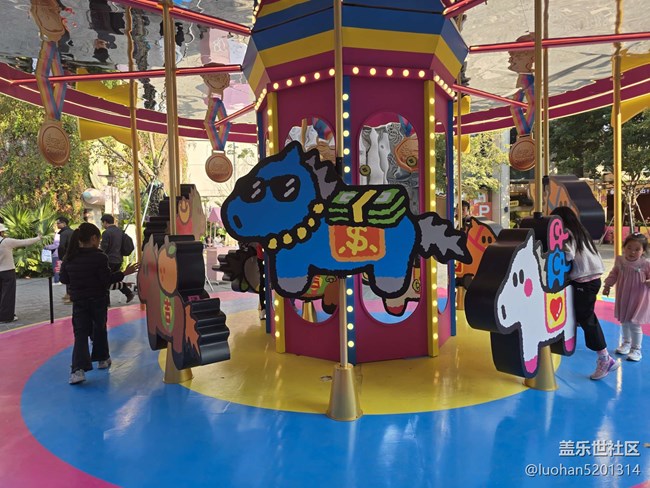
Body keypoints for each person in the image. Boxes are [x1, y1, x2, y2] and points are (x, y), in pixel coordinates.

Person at [59, 223, 138, 385]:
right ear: (94, 238)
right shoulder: (99, 257)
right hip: (98, 299)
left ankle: (77, 370)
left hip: (79, 301)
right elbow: (106, 280)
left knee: (80, 334)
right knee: (99, 328)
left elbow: (64, 279)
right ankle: (102, 358)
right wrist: (124, 273)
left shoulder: (69, 258)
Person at [550, 206, 618, 380]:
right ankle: (603, 356)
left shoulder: (567, 233)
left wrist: (554, 250)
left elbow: (568, 255)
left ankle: (605, 358)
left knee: (587, 318)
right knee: (583, 315)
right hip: (592, 279)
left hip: (584, 281)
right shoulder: (581, 231)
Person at [602, 233, 650, 362]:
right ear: (624, 247)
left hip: (638, 297)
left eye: (637, 249)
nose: (632, 252)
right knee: (624, 321)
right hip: (623, 295)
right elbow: (614, 273)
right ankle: (626, 343)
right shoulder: (620, 260)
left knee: (634, 323)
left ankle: (636, 349)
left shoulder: (645, 264)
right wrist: (607, 285)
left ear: (643, 251)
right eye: (629, 248)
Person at [0, 224, 42, 323]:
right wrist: (38, 238)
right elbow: (24, 242)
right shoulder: (6, 242)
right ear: (1, 232)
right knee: (8, 294)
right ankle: (6, 317)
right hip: (7, 271)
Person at [100, 214, 135, 304]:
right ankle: (128, 293)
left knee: (106, 280)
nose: (103, 225)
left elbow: (104, 248)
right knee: (116, 278)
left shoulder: (106, 233)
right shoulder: (120, 231)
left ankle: (106, 302)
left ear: (105, 222)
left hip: (109, 260)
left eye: (102, 223)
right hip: (119, 259)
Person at [56, 217, 74, 302]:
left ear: (64, 223)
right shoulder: (73, 232)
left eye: (58, 223)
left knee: (68, 275)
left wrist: (61, 257)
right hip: (74, 256)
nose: (57, 225)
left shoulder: (63, 233)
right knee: (71, 275)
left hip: (67, 257)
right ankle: (68, 294)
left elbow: (61, 246)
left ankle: (70, 295)